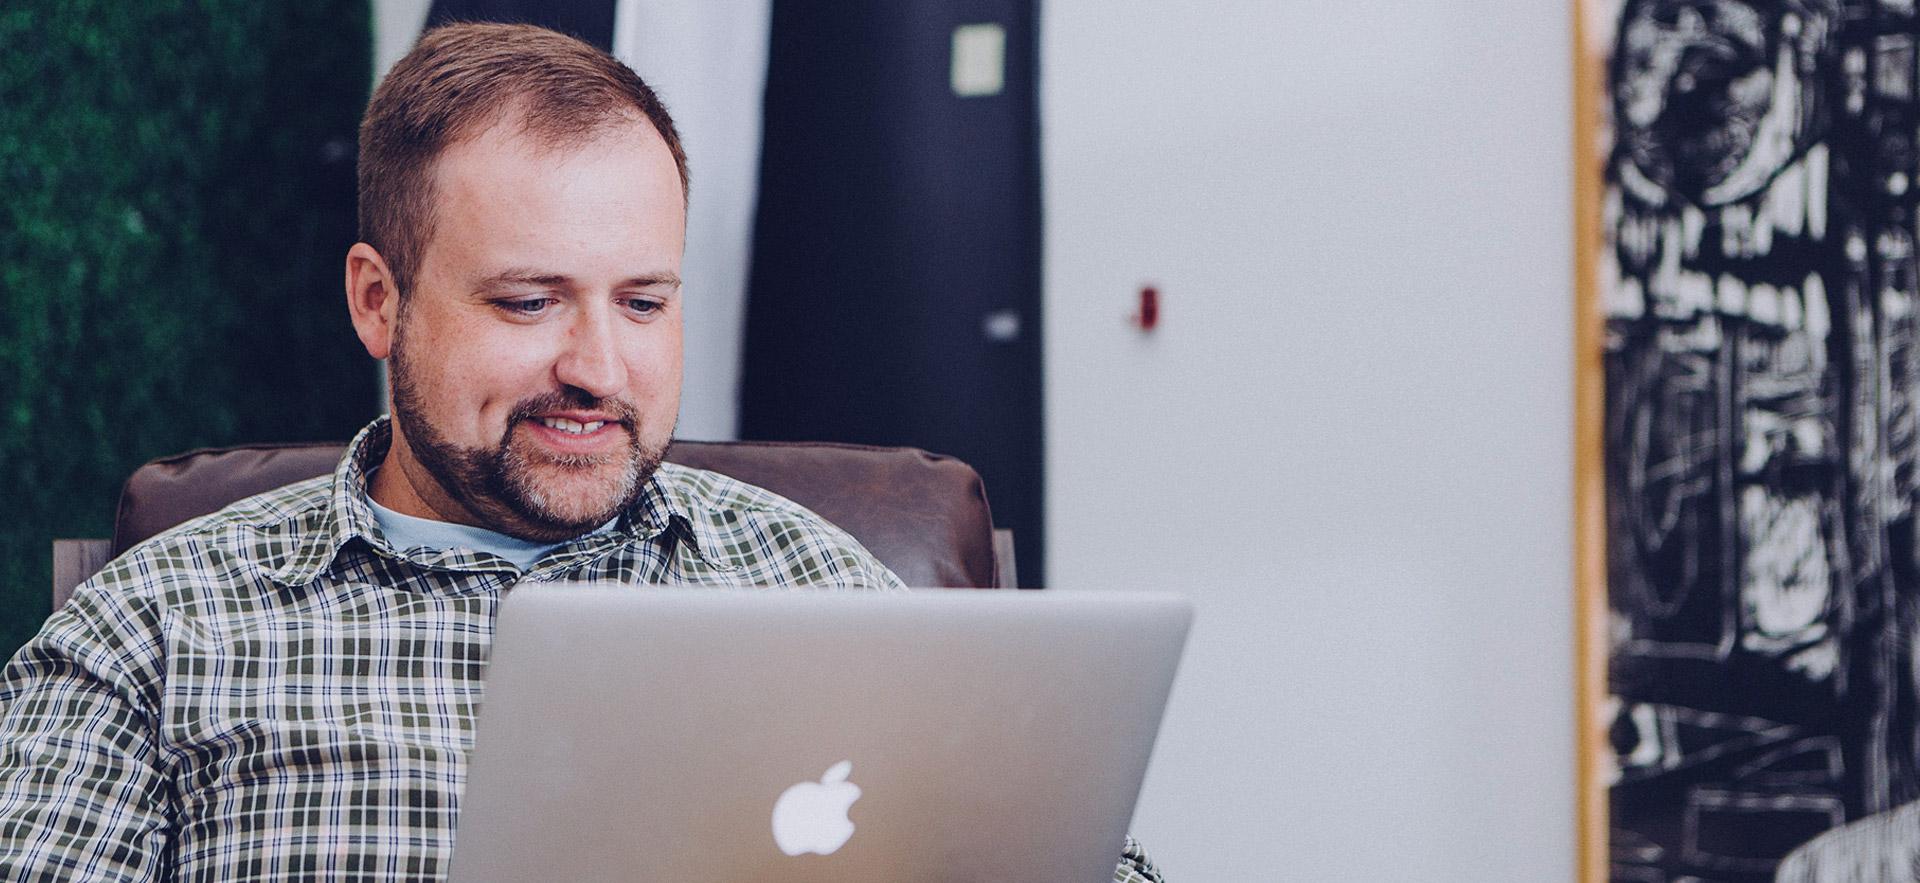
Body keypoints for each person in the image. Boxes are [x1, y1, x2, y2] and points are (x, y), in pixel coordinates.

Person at [0, 22, 1165, 882]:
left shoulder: (816, 580)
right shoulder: (155, 625)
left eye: (645, 302)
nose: (600, 369)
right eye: (528, 301)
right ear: (377, 302)